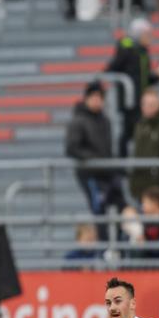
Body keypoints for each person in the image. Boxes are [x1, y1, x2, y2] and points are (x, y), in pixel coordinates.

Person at [65, 81, 125, 237]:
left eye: (100, 97)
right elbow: (72, 148)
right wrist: (95, 160)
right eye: (94, 97)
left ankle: (118, 247)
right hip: (90, 175)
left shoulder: (105, 120)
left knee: (121, 207)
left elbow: (108, 149)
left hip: (107, 173)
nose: (97, 101)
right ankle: (104, 249)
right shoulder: (78, 121)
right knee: (100, 213)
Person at [106, 18, 159, 157]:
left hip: (142, 100)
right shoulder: (127, 47)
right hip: (129, 100)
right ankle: (122, 163)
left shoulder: (143, 52)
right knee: (129, 131)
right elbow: (113, 66)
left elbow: (145, 77)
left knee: (137, 132)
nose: (150, 38)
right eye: (147, 34)